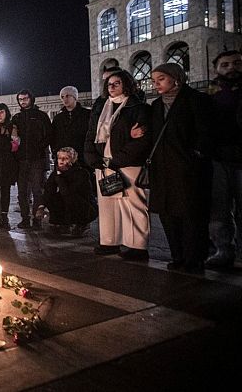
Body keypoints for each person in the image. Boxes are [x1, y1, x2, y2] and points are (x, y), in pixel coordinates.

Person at [148, 63, 212, 273]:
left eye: (161, 79)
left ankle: (194, 259)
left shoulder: (195, 100)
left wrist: (196, 154)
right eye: (154, 80)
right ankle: (178, 256)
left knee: (191, 215)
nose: (156, 84)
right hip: (163, 170)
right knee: (168, 214)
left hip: (188, 170)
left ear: (176, 79)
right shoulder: (157, 105)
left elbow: (206, 132)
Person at [85, 69, 153, 260]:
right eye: (109, 84)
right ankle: (109, 241)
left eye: (117, 83)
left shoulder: (137, 108)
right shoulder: (101, 107)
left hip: (127, 164)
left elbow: (141, 140)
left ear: (127, 84)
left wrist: (116, 160)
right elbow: (91, 134)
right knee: (108, 204)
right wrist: (92, 158)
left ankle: (137, 245)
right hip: (103, 164)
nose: (112, 87)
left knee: (133, 204)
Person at [206, 50, 242, 268]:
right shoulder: (210, 95)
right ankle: (223, 249)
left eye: (237, 63)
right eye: (225, 64)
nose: (231, 68)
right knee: (218, 208)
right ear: (216, 69)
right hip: (218, 158)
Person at [12, 90, 52, 229]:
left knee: (37, 190)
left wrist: (39, 147)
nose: (22, 101)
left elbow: (49, 135)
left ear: (31, 99)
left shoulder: (41, 116)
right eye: (20, 99)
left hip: (37, 159)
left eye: (25, 98)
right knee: (22, 192)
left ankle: (37, 219)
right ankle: (24, 218)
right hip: (21, 160)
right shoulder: (16, 118)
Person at [35, 147, 96, 236]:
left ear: (72, 160)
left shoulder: (81, 173)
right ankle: (62, 224)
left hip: (84, 206)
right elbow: (48, 190)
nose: (62, 161)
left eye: (66, 158)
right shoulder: (56, 173)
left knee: (70, 198)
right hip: (68, 201)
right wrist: (41, 207)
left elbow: (68, 193)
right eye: (60, 158)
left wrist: (59, 177)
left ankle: (82, 224)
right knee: (53, 198)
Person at [51, 86, 91, 161]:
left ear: (75, 97)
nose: (65, 99)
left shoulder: (87, 115)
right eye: (62, 97)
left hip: (83, 157)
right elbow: (53, 137)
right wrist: (55, 152)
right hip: (63, 158)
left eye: (67, 96)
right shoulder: (58, 118)